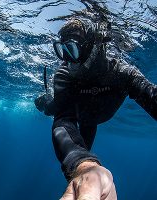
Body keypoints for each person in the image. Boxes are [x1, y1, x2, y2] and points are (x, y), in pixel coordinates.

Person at [34, 18, 157, 200]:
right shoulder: (64, 75)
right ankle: (46, 101)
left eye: (72, 49)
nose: (67, 60)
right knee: (50, 108)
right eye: (61, 50)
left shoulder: (121, 72)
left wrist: (84, 164)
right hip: (82, 114)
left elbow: (151, 96)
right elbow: (63, 120)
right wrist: (84, 166)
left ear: (94, 46)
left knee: (84, 137)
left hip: (91, 118)